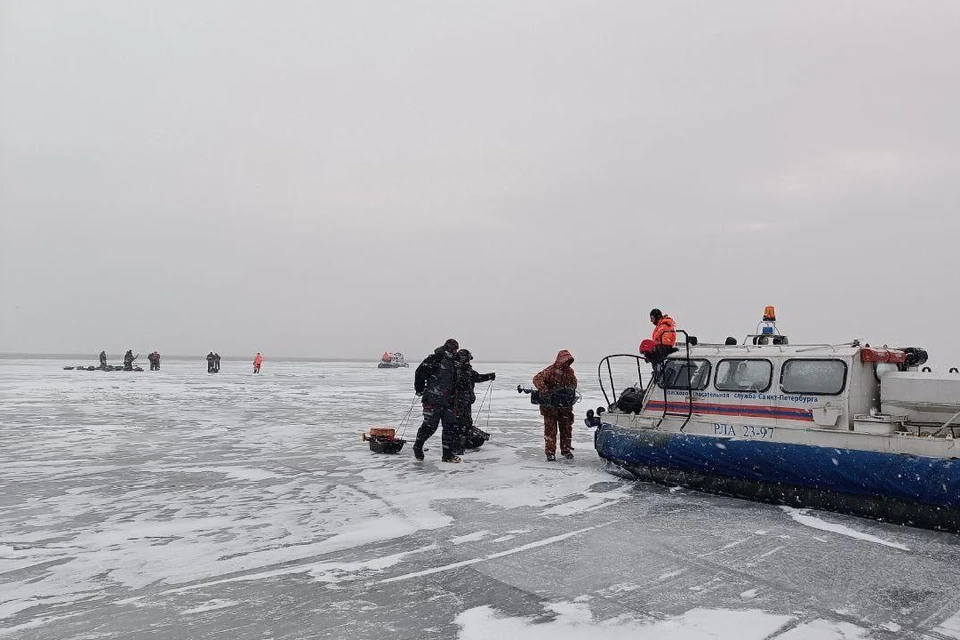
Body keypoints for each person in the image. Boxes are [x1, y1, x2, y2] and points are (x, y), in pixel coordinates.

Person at [413, 338, 461, 463]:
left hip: (449, 401)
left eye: (457, 349)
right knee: (429, 427)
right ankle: (418, 446)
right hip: (433, 400)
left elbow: (458, 380)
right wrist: (419, 389)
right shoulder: (435, 359)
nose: (456, 351)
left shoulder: (455, 362)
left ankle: (447, 455)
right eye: (454, 349)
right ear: (448, 348)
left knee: (450, 428)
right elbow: (419, 372)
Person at [533, 350, 577, 461]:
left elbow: (574, 383)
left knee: (566, 429)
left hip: (565, 407)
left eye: (568, 361)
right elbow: (537, 378)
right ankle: (550, 453)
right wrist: (544, 389)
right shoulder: (550, 371)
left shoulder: (570, 372)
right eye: (564, 361)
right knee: (550, 431)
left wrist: (568, 390)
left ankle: (566, 450)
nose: (566, 364)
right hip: (550, 407)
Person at [452, 349, 496, 455]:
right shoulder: (456, 369)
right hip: (458, 401)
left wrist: (488, 376)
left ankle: (461, 443)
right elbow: (474, 378)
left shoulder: (466, 369)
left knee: (466, 423)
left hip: (465, 401)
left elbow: (476, 377)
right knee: (459, 423)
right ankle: (457, 446)